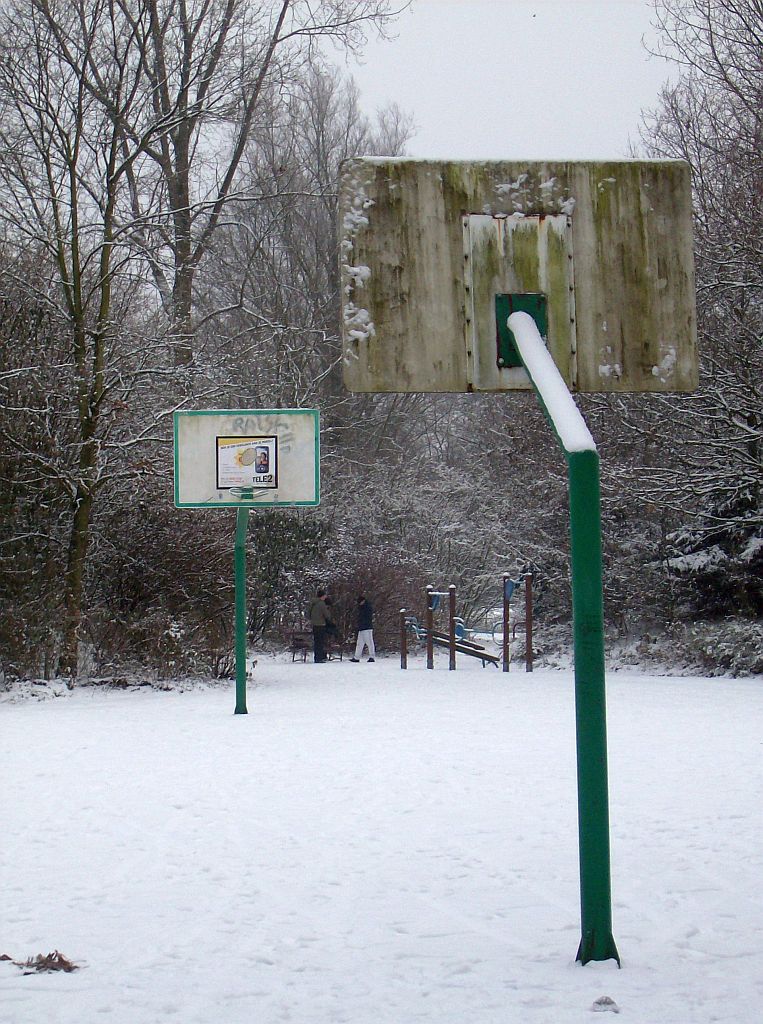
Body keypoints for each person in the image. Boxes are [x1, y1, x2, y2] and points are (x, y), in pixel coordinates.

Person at [308, 589, 333, 663]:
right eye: (325, 595)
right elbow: (327, 615)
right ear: (322, 596)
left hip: (314, 624)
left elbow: (308, 613)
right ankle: (320, 658)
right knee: (320, 642)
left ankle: (317, 657)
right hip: (321, 624)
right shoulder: (322, 604)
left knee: (316, 642)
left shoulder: (313, 603)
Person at [350, 594, 375, 663]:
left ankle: (372, 656)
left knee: (369, 642)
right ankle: (356, 657)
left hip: (367, 628)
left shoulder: (367, 608)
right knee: (359, 643)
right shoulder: (363, 607)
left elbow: (366, 618)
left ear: (363, 601)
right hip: (362, 628)